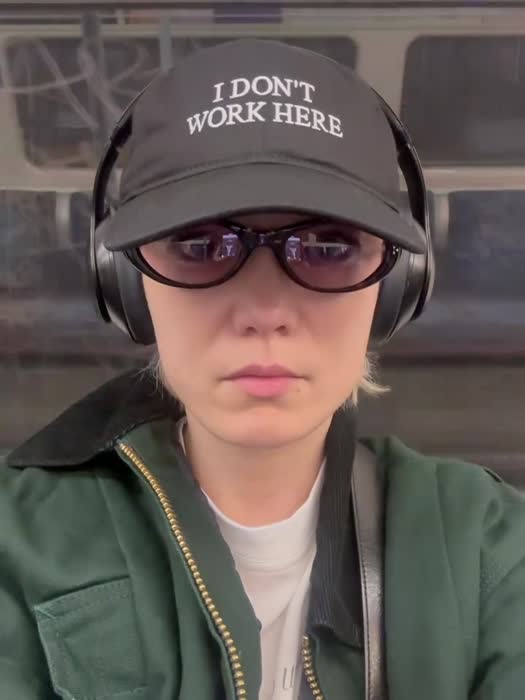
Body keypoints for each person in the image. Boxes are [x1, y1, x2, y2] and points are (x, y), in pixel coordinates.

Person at [1, 38, 525, 700]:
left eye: (328, 247)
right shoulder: (16, 545)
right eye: (199, 246)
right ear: (128, 283)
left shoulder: (491, 548)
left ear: (394, 285)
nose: (265, 312)